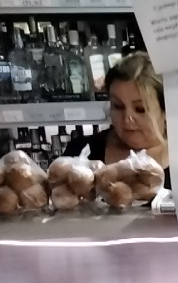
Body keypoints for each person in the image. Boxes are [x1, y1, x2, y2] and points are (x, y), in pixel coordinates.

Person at [64, 52, 171, 189]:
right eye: (118, 106)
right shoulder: (80, 151)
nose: (127, 118)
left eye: (140, 109)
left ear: (166, 110)